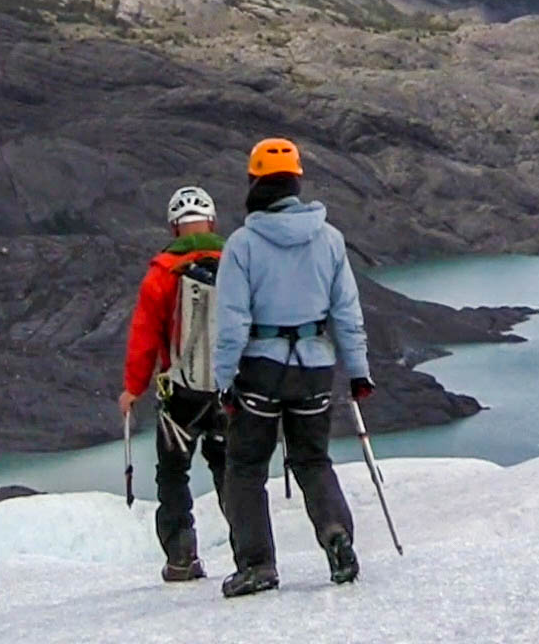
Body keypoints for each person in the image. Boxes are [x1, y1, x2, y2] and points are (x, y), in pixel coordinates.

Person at [212, 137, 375, 598]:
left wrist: (223, 381)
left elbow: (231, 321)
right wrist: (359, 372)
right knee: (311, 459)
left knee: (244, 467)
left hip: (261, 370)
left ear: (254, 182)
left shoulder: (242, 244)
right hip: (314, 370)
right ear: (295, 181)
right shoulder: (330, 239)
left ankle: (257, 565)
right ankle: (336, 537)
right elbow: (346, 312)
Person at [120, 185, 229, 582]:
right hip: (228, 390)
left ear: (173, 226)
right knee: (231, 470)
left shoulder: (162, 272)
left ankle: (182, 559)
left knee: (172, 475)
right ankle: (252, 556)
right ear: (211, 221)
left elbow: (145, 335)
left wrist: (133, 388)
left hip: (181, 394)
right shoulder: (238, 262)